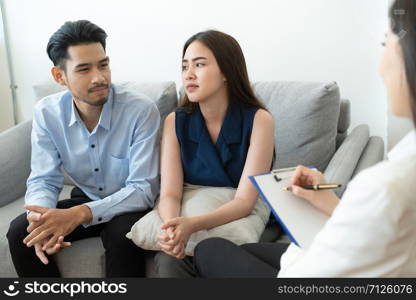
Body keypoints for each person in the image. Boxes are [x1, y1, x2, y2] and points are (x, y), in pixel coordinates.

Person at [193, 0, 416, 278]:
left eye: (386, 45)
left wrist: (303, 233)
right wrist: (329, 203)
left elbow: (300, 276)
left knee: (210, 250)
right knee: (226, 249)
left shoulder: (384, 186)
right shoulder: (397, 176)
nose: (381, 68)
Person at [6, 20, 161, 277]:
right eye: (84, 69)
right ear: (59, 76)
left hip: (131, 204)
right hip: (87, 196)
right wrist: (40, 216)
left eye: (103, 65)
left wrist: (80, 214)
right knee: (23, 233)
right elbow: (44, 179)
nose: (99, 77)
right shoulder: (47, 113)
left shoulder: (141, 110)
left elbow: (143, 189)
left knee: (124, 237)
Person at [154, 30, 275, 277]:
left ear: (226, 72)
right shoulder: (174, 122)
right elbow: (170, 193)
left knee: (222, 256)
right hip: (189, 212)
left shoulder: (259, 120)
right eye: (184, 66)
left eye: (199, 64)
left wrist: (192, 226)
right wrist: (172, 228)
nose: (189, 74)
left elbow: (244, 202)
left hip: (242, 216)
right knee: (168, 262)